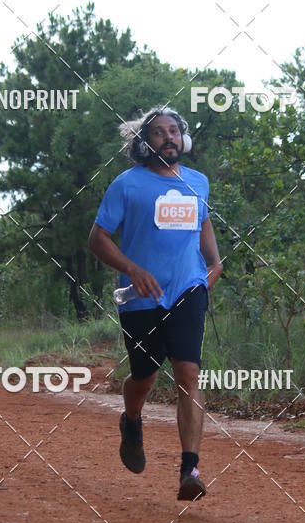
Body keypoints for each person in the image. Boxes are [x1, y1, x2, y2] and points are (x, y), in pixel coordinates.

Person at [88, 106, 223, 501]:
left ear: (183, 139)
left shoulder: (198, 182)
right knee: (143, 379)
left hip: (187, 292)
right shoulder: (127, 185)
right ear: (145, 144)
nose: (169, 137)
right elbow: (97, 239)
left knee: (188, 374)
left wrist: (209, 273)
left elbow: (207, 236)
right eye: (160, 132)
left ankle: (190, 469)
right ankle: (131, 420)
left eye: (175, 131)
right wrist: (133, 269)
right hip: (140, 297)